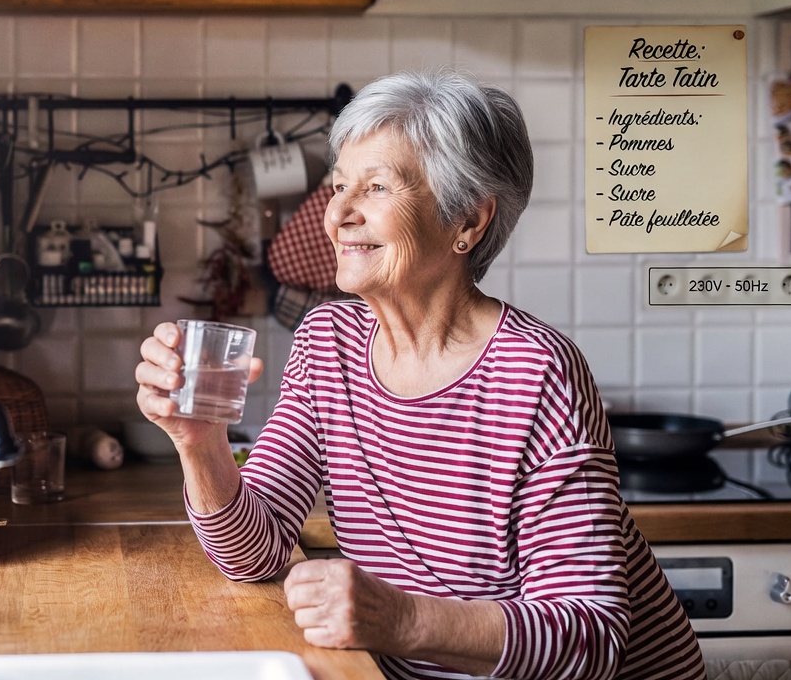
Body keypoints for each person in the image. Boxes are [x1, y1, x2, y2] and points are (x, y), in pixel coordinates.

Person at [134, 69, 705, 680]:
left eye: (376, 188)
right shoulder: (328, 342)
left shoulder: (537, 371)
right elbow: (258, 549)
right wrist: (199, 445)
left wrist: (401, 622)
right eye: (339, 186)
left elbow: (588, 640)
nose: (339, 215)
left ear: (467, 221)